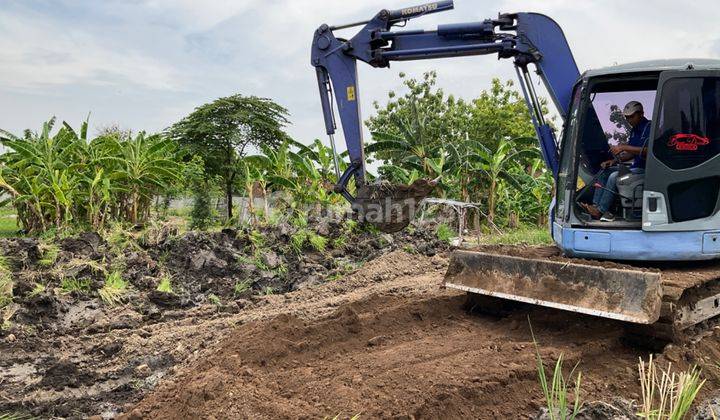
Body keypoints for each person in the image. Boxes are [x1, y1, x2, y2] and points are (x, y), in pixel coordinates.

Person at [581, 100, 650, 221]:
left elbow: (648, 151)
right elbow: (631, 154)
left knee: (614, 176)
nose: (629, 120)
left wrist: (623, 147)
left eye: (632, 117)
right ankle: (595, 206)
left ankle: (600, 210)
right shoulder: (634, 130)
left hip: (646, 170)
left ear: (641, 114)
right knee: (605, 170)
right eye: (627, 117)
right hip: (635, 168)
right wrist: (614, 161)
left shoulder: (649, 127)